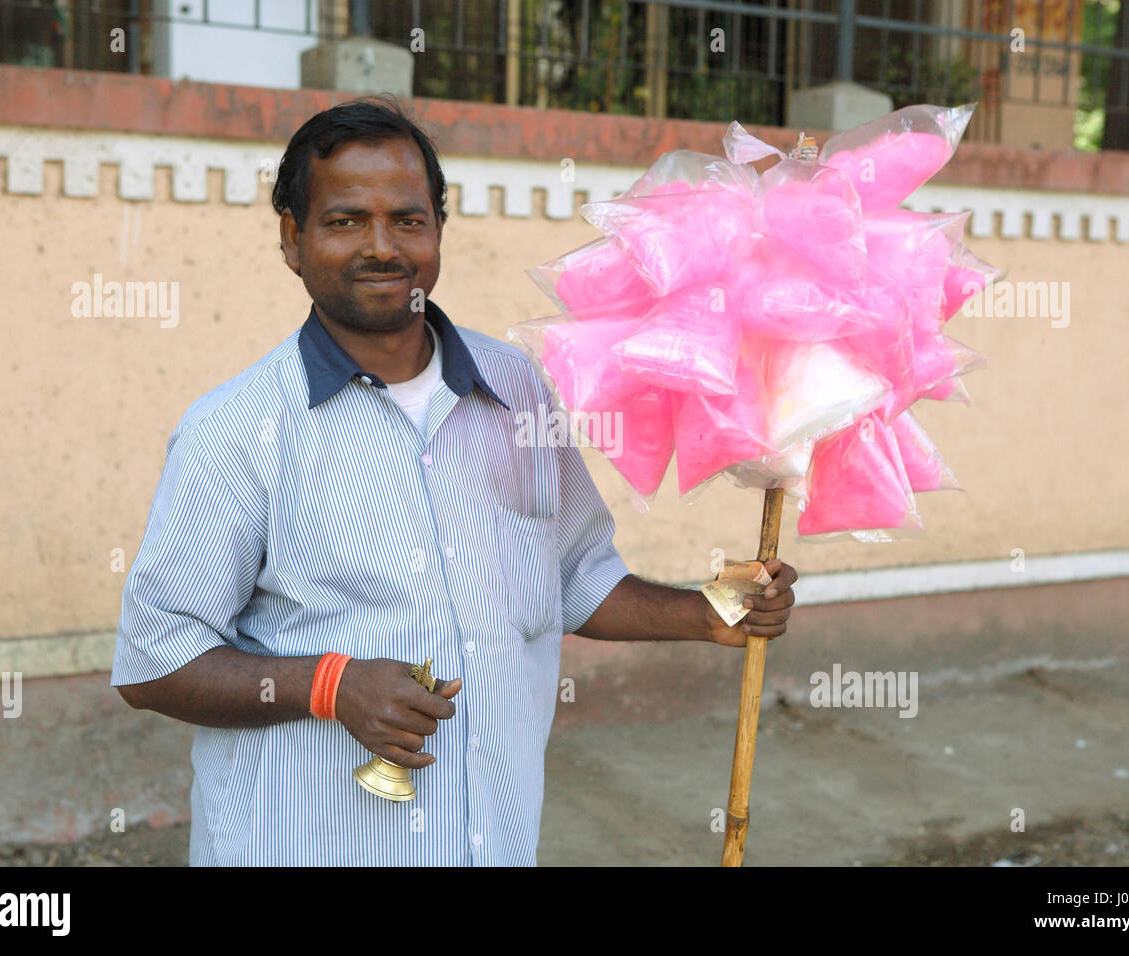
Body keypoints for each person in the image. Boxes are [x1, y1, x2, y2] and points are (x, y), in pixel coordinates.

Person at [111, 97, 798, 866]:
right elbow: (155, 662)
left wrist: (706, 613)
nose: (382, 246)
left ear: (438, 229)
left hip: (491, 842)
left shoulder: (517, 391)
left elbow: (573, 575)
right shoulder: (234, 432)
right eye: (344, 221)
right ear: (292, 239)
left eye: (408, 219)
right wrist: (332, 685)